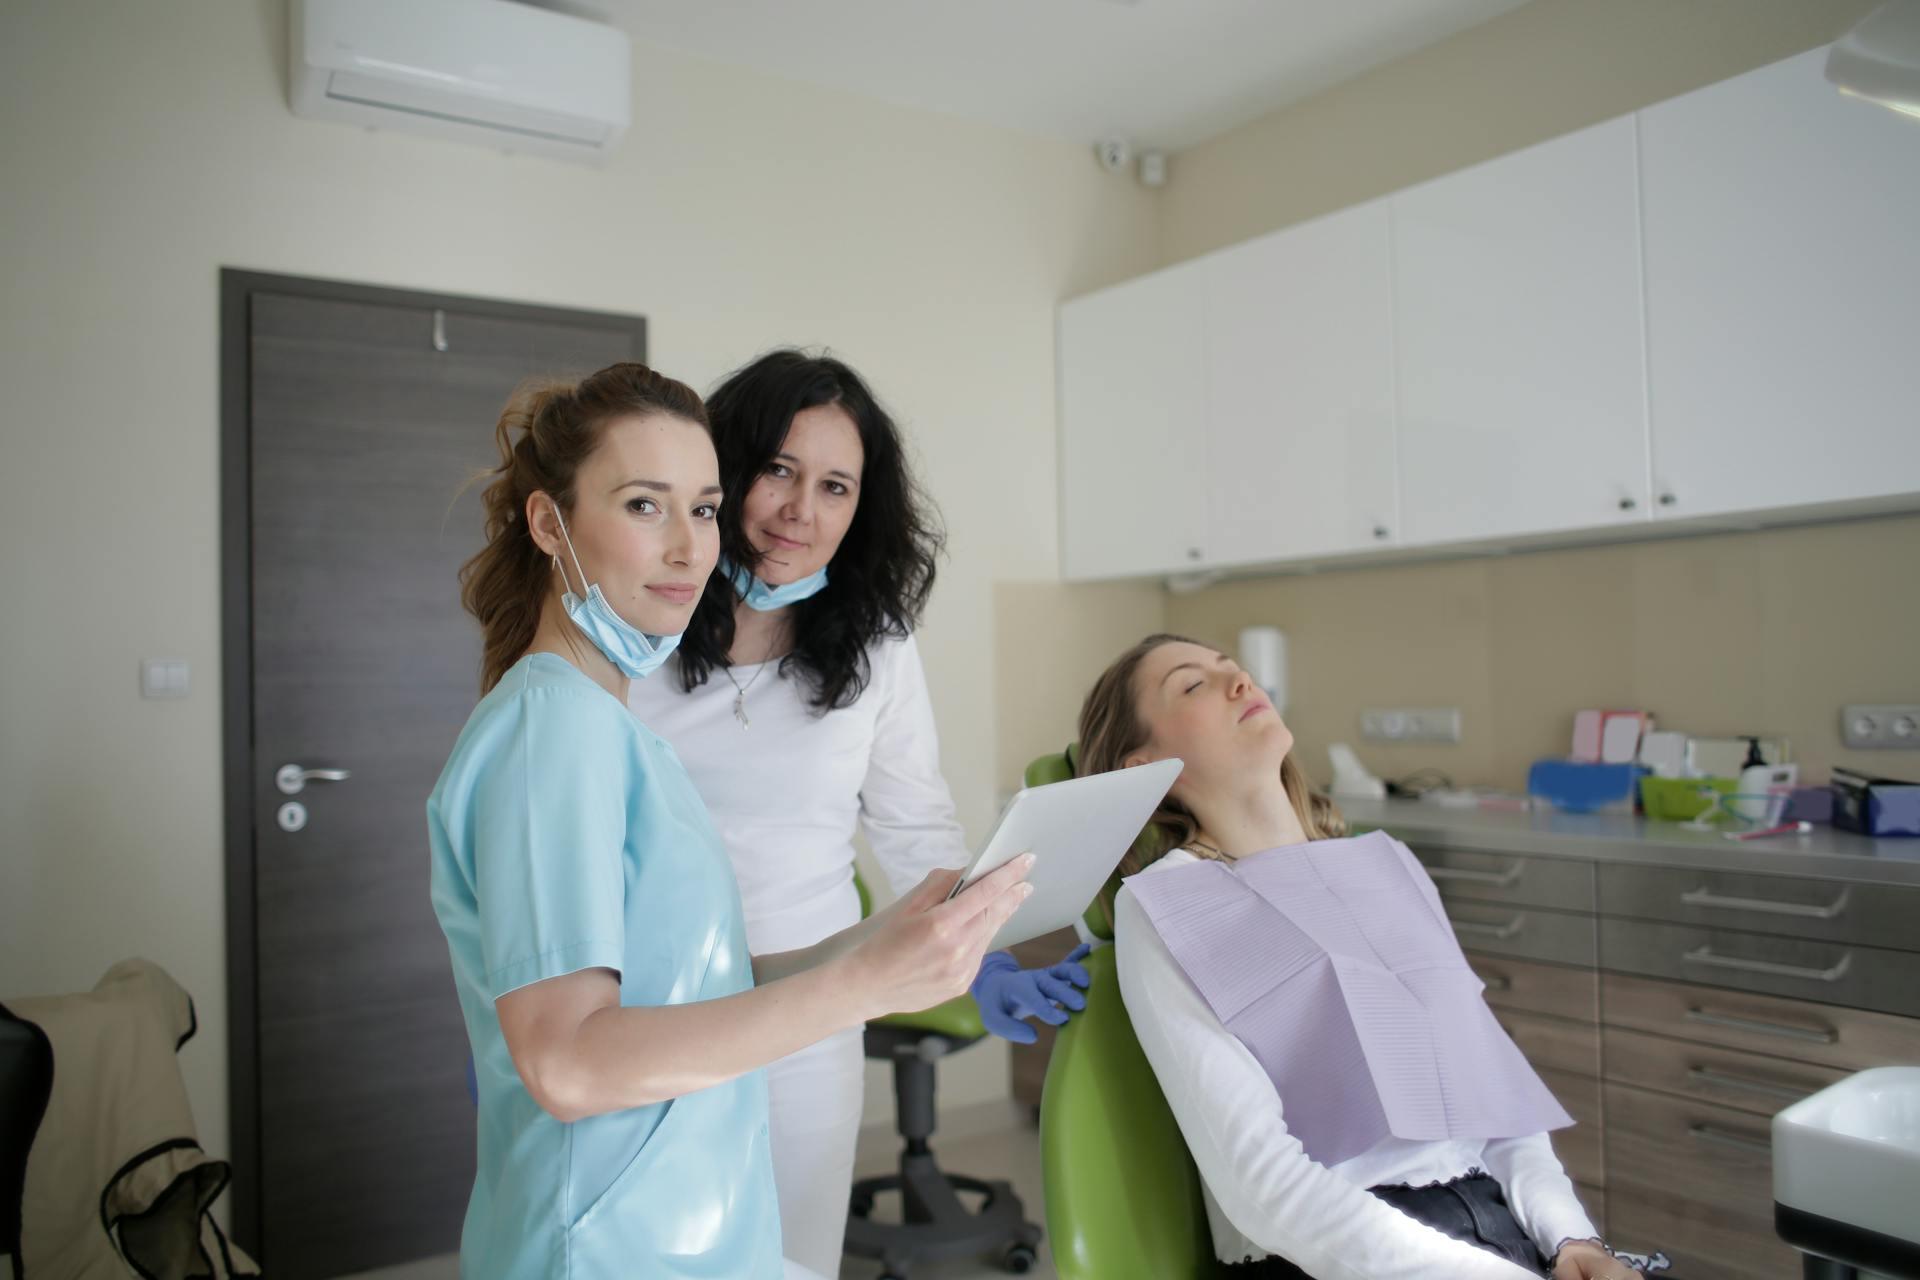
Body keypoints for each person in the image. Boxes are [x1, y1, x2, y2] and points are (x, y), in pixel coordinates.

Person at [425, 362, 1032, 1279]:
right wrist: (861, 983)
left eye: (699, 510)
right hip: (612, 1191)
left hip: (695, 1141)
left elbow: (704, 975)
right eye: (642, 505)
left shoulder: (608, 722)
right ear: (551, 523)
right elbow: (572, 1063)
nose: (687, 548)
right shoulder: (562, 724)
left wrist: (904, 946)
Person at [627, 348, 1088, 1275]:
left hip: (812, 1008)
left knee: (792, 1255)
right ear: (723, 471)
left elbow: (916, 829)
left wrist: (982, 950)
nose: (804, 509)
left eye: (835, 485)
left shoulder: (875, 646)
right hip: (650, 1008)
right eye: (780, 471)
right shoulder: (634, 626)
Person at [1075, 633, 1646, 1280]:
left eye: (1233, 668)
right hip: (1335, 1252)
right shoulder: (1170, 908)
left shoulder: (1386, 869)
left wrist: (1575, 1242)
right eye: (1193, 684)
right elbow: (1266, 1191)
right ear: (1142, 766)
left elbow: (1498, 1110)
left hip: (1499, 1227)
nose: (1240, 682)